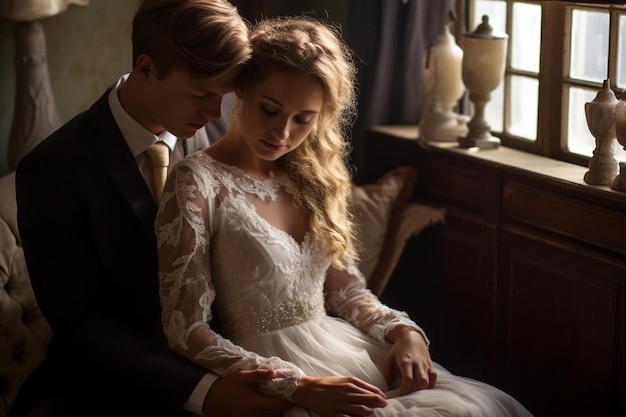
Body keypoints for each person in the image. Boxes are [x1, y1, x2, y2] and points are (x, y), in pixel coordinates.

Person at [155, 15, 535, 417]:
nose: (282, 133)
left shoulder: (312, 177)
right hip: (276, 377)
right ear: (242, 89)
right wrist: (295, 385)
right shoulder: (195, 182)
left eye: (303, 119)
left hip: (348, 352)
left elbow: (347, 290)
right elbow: (186, 330)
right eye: (270, 110)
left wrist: (402, 331)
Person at [11, 1, 291, 416]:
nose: (216, 113)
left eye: (223, 95)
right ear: (145, 69)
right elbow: (82, 326)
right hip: (103, 387)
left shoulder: (212, 137)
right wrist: (204, 392)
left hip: (225, 361)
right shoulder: (52, 169)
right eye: (200, 94)